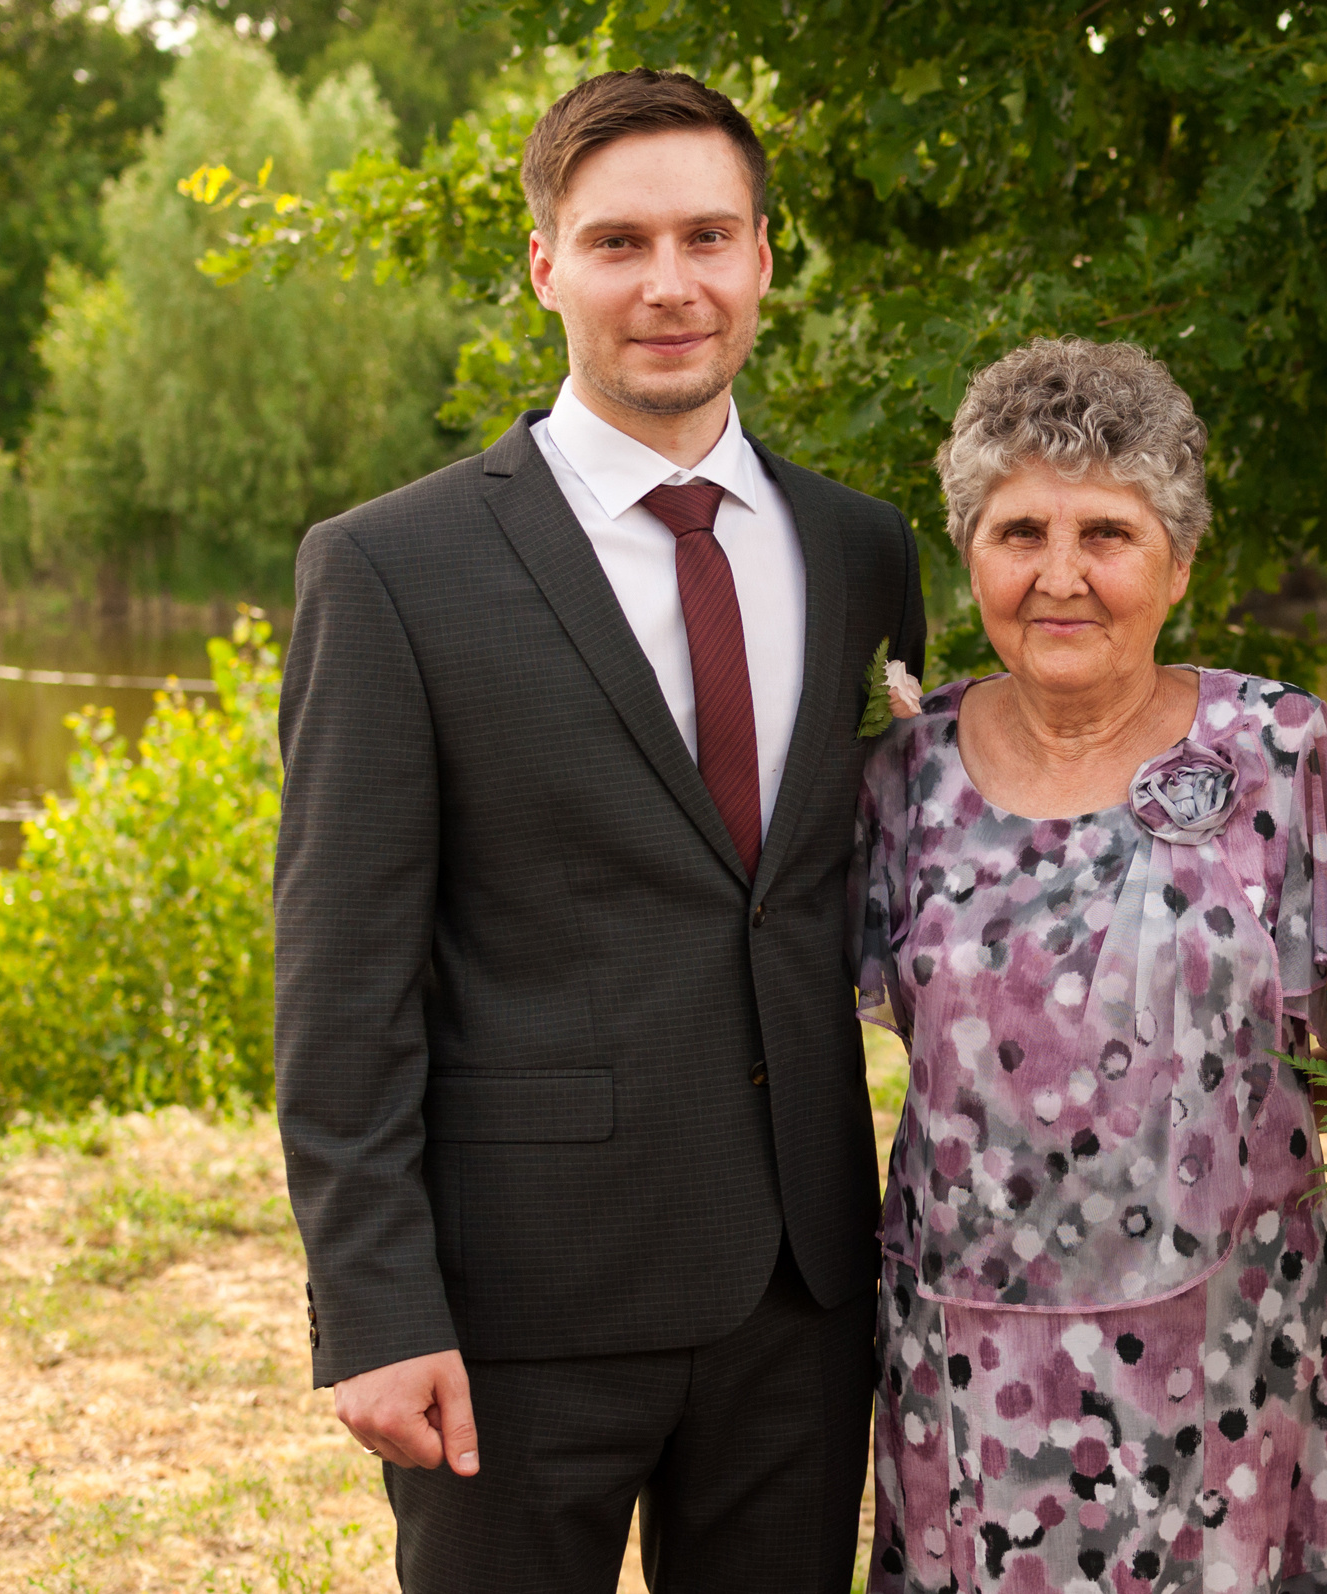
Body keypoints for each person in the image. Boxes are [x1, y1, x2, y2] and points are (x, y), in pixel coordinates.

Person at [273, 70, 925, 1594]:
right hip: (515, 1303)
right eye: (621, 241)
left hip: (803, 1290)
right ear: (546, 264)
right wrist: (376, 1306)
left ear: (767, 256)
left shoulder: (858, 547)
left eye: (710, 235)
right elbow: (341, 976)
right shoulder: (388, 568)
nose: (671, 284)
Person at [856, 337, 1327, 1594]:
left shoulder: (1278, 750)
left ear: (1180, 558)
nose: (1061, 575)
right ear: (970, 553)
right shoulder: (901, 775)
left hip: (1229, 1350)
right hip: (967, 1361)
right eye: (1020, 530)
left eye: (1109, 533)